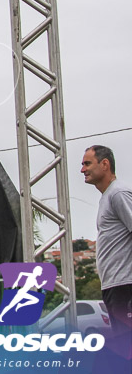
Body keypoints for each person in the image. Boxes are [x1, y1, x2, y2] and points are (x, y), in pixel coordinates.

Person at [82, 145, 132, 359]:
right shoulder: (107, 196)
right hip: (115, 286)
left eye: (87, 163)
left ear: (105, 164)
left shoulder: (119, 193)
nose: (82, 170)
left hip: (125, 286)